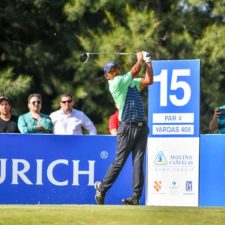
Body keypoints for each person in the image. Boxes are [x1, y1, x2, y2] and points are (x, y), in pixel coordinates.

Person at [94, 51, 153, 205]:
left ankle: (135, 197)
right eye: (111, 70)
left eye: (116, 68)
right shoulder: (115, 83)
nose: (114, 71)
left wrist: (148, 63)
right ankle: (102, 188)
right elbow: (134, 71)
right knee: (120, 161)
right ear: (107, 76)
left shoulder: (130, 82)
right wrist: (139, 59)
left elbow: (149, 80)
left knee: (138, 162)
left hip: (141, 127)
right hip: (126, 127)